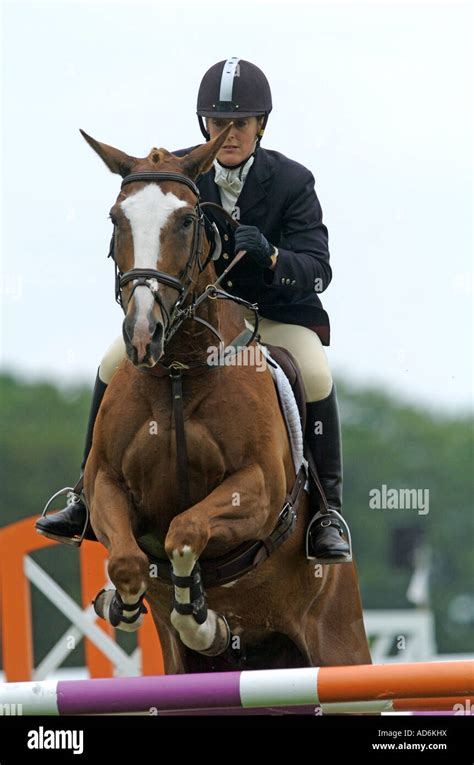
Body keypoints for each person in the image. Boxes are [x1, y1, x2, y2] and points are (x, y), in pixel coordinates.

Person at [36, 57, 350, 563]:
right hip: (198, 316)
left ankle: (327, 513)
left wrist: (270, 255)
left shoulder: (292, 181)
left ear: (261, 125)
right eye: (217, 123)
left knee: (312, 371)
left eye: (240, 124)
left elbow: (319, 269)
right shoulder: (178, 172)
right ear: (203, 123)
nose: (227, 134)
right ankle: (81, 495)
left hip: (274, 315)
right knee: (112, 361)